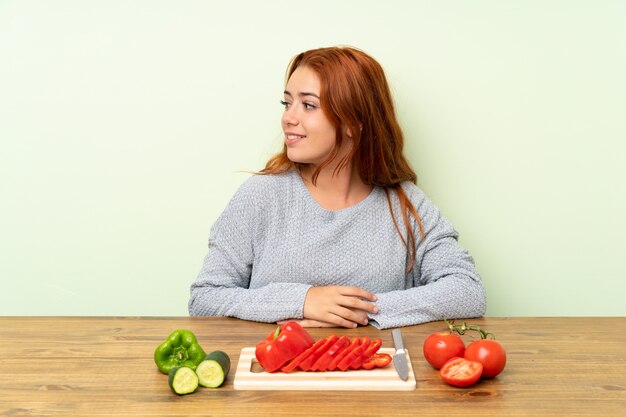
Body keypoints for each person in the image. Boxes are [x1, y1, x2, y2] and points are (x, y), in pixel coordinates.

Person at [188, 46, 486, 329]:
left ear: (353, 122)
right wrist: (303, 301)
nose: (288, 118)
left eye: (308, 105)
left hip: (373, 373)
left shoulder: (404, 203)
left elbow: (467, 290)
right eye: (287, 102)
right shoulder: (260, 196)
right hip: (274, 373)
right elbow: (205, 298)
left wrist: (360, 311)